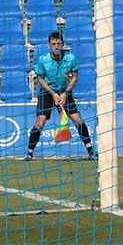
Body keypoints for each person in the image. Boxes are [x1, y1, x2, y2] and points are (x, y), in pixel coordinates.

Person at [26, 32, 93, 160]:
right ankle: (29, 152)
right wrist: (52, 93)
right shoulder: (43, 59)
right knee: (40, 122)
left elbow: (74, 77)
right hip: (47, 92)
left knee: (78, 120)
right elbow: (40, 79)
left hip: (64, 91)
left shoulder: (70, 58)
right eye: (53, 44)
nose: (56, 46)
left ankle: (90, 151)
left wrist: (65, 93)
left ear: (62, 45)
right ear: (49, 46)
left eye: (58, 44)